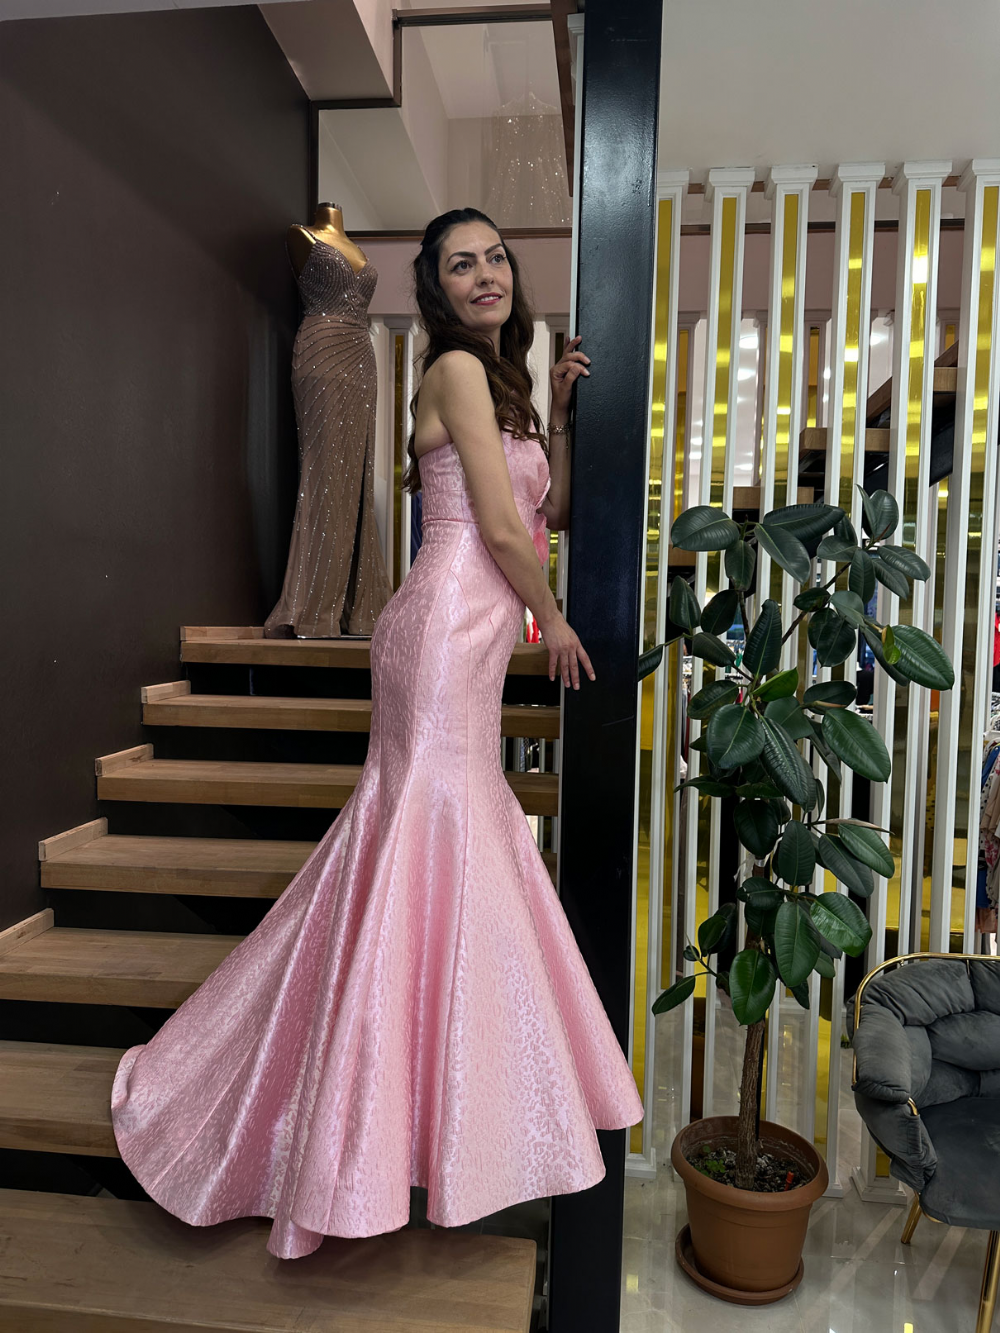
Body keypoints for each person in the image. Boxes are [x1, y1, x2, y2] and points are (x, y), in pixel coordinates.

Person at [111, 207, 643, 1261]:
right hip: (442, 629)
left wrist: (560, 417)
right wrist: (557, 620)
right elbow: (500, 531)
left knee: (433, 851)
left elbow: (547, 514)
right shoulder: (452, 369)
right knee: (427, 841)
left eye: (496, 257)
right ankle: (357, 1132)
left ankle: (408, 1118)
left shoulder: (500, 385)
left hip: (473, 635)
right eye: (461, 264)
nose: (485, 274)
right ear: (436, 289)